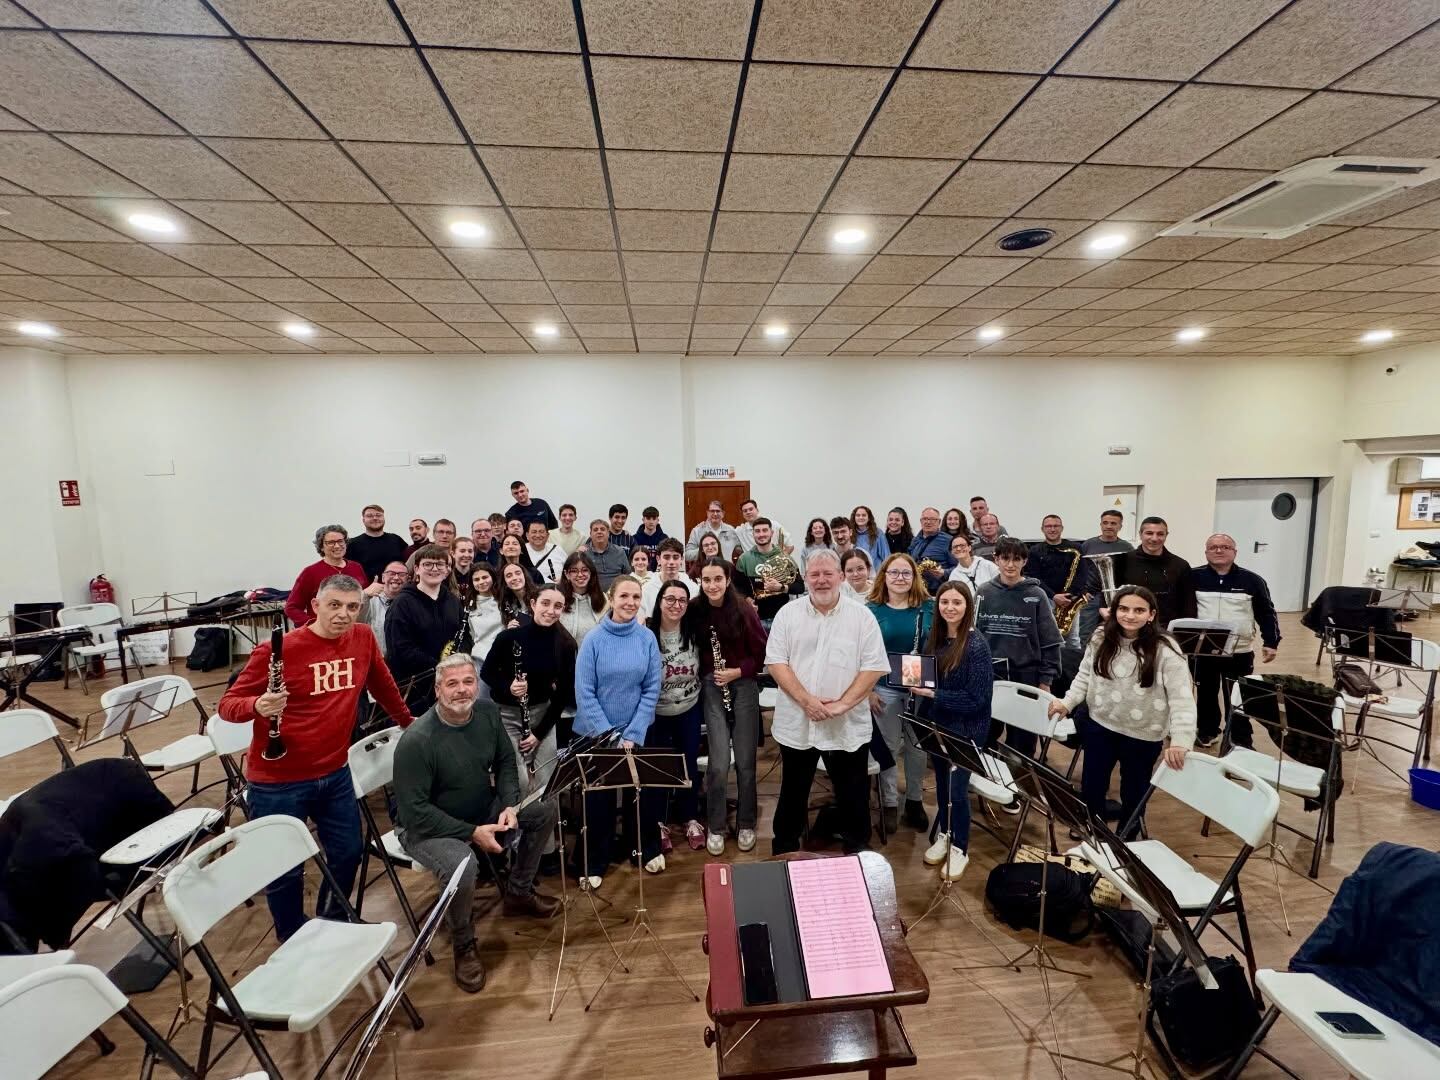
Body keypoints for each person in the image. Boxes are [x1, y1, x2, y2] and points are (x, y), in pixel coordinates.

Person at [219, 575, 413, 942]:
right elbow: (227, 706)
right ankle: (292, 938)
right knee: (284, 868)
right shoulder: (277, 650)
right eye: (334, 605)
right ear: (315, 606)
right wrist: (257, 705)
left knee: (348, 852)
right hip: (278, 782)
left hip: (335, 772)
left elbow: (382, 684)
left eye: (352, 607)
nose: (343, 614)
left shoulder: (362, 638)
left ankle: (332, 919)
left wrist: (407, 722)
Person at [393, 653, 559, 993]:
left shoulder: (486, 713)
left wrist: (510, 804)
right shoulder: (417, 740)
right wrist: (471, 833)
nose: (462, 690)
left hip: (479, 807)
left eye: (468, 681)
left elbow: (506, 761)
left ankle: (519, 891)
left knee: (543, 809)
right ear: (437, 690)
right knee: (464, 865)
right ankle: (463, 942)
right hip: (425, 828)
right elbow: (413, 812)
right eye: (452, 683)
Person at [766, 551, 889, 855]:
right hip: (798, 721)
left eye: (828, 574)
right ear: (805, 578)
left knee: (853, 794)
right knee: (793, 792)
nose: (821, 580)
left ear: (841, 577)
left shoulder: (862, 617)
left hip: (846, 724)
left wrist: (841, 705)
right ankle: (784, 850)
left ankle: (856, 850)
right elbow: (776, 663)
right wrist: (808, 702)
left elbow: (873, 667)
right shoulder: (787, 615)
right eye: (814, 574)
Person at [1049, 586, 1194, 836]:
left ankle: (1127, 836)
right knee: (1093, 785)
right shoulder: (1100, 636)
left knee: (1134, 792)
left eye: (1139, 610)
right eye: (1124, 609)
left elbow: (1182, 698)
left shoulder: (1166, 648)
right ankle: (1092, 829)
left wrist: (1181, 740)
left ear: (1151, 614)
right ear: (1114, 611)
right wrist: (1067, 702)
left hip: (1143, 735)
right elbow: (1084, 676)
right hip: (1100, 725)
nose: (1130, 615)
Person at [572, 576, 662, 886]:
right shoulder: (593, 639)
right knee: (600, 801)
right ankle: (595, 861)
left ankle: (645, 848)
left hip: (637, 730)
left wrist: (633, 733)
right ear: (611, 598)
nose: (630, 602)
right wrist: (609, 735)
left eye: (636, 597)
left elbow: (651, 688)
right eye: (624, 596)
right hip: (597, 733)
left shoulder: (647, 638)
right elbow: (584, 692)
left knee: (642, 795)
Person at [909, 581, 993, 881]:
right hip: (938, 725)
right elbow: (929, 679)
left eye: (957, 602)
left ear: (967, 606)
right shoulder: (935, 639)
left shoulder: (977, 645)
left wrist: (933, 694)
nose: (950, 608)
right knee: (943, 784)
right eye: (944, 602)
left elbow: (977, 699)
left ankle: (961, 848)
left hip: (967, 730)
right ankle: (945, 833)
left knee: (957, 792)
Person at [686, 558, 768, 857]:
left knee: (745, 762)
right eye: (706, 580)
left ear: (728, 578)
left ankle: (746, 823)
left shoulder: (744, 609)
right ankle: (716, 826)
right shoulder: (695, 609)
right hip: (712, 685)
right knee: (718, 764)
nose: (712, 585)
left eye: (717, 579)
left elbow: (761, 653)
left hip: (743, 684)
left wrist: (737, 671)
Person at [482, 583, 578, 795]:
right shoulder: (508, 637)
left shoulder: (566, 644)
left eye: (558, 606)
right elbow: (487, 672)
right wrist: (508, 687)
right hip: (508, 716)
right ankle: (517, 816)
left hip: (543, 715)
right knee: (520, 782)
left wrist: (539, 734)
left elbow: (563, 694)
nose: (551, 611)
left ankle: (546, 817)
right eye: (545, 603)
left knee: (547, 783)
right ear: (533, 604)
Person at [1190, 534, 1280, 749]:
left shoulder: (1253, 581)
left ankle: (1239, 738)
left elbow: (1267, 613)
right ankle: (1207, 730)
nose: (1219, 550)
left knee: (1238, 695)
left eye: (1225, 547)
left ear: (1234, 552)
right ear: (1206, 552)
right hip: (1204, 650)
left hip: (1239, 651)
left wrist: (1271, 641)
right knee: (1206, 694)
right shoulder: (1192, 577)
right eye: (1213, 547)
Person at [975, 537, 1061, 759]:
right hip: (990, 676)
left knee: (1022, 743)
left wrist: (1046, 681)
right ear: (996, 560)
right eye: (1005, 558)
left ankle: (1019, 780)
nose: (1010, 564)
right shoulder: (984, 592)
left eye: (1016, 559)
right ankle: (991, 777)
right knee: (984, 736)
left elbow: (1050, 641)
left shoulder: (1036, 595)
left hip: (1026, 676)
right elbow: (973, 636)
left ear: (1025, 561)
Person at [865, 554, 933, 833]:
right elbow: (862, 653)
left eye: (906, 573)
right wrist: (868, 691)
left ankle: (915, 800)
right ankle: (890, 802)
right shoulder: (872, 609)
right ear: (884, 576)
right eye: (894, 573)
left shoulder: (929, 606)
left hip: (920, 688)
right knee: (889, 747)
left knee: (917, 747)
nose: (900, 578)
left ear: (914, 577)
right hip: (884, 688)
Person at [646, 580, 705, 861]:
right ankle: (659, 822)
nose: (676, 605)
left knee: (688, 765)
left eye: (682, 600)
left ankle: (690, 817)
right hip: (656, 713)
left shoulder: (694, 630)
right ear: (659, 601)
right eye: (670, 599)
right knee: (658, 769)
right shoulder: (647, 633)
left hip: (689, 709)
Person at [386, 543, 464, 714]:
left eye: (440, 564)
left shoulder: (453, 601)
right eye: (428, 564)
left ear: (447, 570)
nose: (434, 569)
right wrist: (439, 666)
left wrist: (458, 661)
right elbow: (400, 649)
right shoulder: (401, 604)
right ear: (417, 569)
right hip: (414, 689)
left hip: (449, 682)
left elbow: (464, 636)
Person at [286, 524, 379, 626]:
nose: (337, 546)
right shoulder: (310, 572)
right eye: (331, 542)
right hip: (324, 632)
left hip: (352, 629)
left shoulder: (356, 567)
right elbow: (291, 608)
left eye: (340, 541)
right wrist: (313, 625)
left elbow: (362, 600)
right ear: (321, 547)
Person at [1114, 516, 1197, 628]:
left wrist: (1185, 631)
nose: (1154, 538)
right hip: (1130, 627)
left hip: (1166, 629)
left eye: (1160, 534)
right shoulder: (1122, 561)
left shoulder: (1181, 565)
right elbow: (1111, 596)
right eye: (1149, 533)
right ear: (1140, 534)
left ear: (1166, 535)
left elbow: (1189, 604)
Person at [1077, 509, 1134, 644]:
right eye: (1105, 523)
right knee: (1086, 634)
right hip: (1091, 596)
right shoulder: (1087, 545)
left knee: (1116, 632)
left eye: (1113, 523)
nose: (1109, 526)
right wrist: (1082, 591)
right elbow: (1078, 571)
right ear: (1101, 524)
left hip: (1116, 596)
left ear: (1120, 526)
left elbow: (1130, 572)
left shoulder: (1127, 547)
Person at [736, 518, 802, 627]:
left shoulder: (785, 558)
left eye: (765, 530)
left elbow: (800, 587)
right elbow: (737, 588)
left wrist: (781, 587)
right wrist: (747, 600)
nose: (761, 534)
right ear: (753, 534)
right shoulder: (744, 559)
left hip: (782, 618)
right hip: (756, 619)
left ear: (771, 533)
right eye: (757, 531)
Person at [347, 504, 408, 582]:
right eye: (370, 516)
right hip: (366, 589)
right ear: (363, 520)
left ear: (384, 518)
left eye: (378, 515)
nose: (375, 518)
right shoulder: (352, 544)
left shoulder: (396, 540)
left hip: (397, 587)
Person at [360, 560, 408, 659]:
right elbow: (356, 622)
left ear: (408, 579)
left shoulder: (411, 603)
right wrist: (364, 595)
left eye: (401, 574)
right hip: (375, 660)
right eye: (391, 573)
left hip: (403, 662)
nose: (396, 577)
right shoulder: (369, 599)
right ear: (383, 577)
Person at [558, 551, 607, 647]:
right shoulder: (558, 600)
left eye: (585, 570)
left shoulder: (604, 600)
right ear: (566, 574)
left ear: (591, 573)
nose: (580, 575)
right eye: (574, 571)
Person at [640, 537, 699, 611]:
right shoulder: (646, 590)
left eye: (675, 557)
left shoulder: (693, 589)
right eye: (666, 557)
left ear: (681, 559)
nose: (671, 562)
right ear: (658, 559)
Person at [908, 507, 956, 593]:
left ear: (939, 522)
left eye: (932, 519)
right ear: (921, 521)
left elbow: (960, 567)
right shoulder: (915, 540)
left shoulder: (949, 541)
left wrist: (944, 572)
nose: (928, 522)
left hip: (938, 591)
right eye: (925, 519)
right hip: (916, 589)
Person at [468, 563, 504, 668]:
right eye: (476, 579)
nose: (481, 582)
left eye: (485, 577)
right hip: (479, 659)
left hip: (503, 656)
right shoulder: (469, 605)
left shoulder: (504, 600)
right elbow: (472, 635)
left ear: (493, 577)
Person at [581, 518, 629, 589]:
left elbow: (628, 575)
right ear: (590, 534)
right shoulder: (584, 553)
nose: (599, 532)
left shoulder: (619, 552)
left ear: (608, 533)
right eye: (595, 530)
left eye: (602, 529)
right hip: (591, 593)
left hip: (616, 593)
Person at [494, 562, 536, 629]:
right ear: (505, 583)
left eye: (518, 573)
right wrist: (510, 630)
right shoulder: (506, 604)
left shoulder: (539, 596)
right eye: (509, 576)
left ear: (525, 576)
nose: (514, 578)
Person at [525, 519, 564, 583]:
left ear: (547, 535)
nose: (538, 535)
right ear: (527, 535)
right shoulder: (521, 551)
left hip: (556, 588)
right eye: (534, 532)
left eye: (541, 532)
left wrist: (563, 580)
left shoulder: (557, 550)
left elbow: (569, 571)